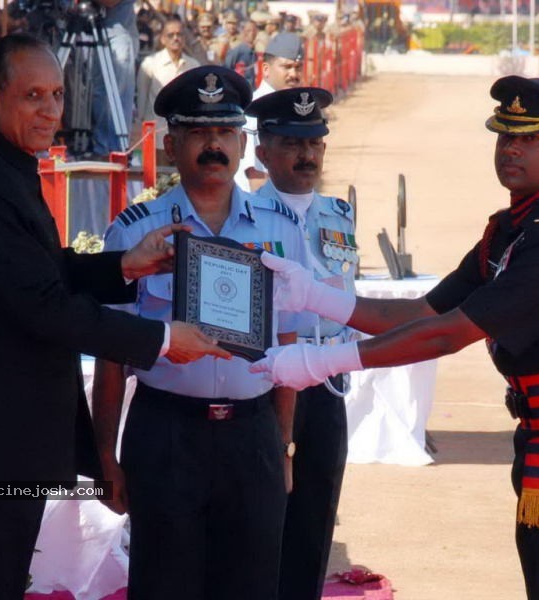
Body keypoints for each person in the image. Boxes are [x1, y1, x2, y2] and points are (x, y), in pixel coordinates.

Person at [252, 75, 539, 599]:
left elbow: (445, 336)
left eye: (531, 139)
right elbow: (421, 311)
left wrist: (321, 362)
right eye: (505, 136)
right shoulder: (513, 229)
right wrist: (316, 296)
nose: (512, 149)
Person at [0, 34, 227, 600]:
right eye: (33, 95)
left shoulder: (5, 162)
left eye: (56, 94)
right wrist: (159, 339)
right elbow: (42, 307)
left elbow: (39, 270)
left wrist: (124, 265)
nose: (51, 110)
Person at [92, 65, 308, 600]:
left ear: (242, 142)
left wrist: (281, 445)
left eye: (224, 134)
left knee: (252, 584)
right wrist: (104, 455)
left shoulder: (282, 230)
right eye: (197, 133)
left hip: (252, 434)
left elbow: (289, 346)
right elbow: (111, 354)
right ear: (171, 145)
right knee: (163, 583)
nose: (213, 146)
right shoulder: (135, 230)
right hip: (165, 433)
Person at [247, 86, 357, 600]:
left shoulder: (339, 213)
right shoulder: (244, 217)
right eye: (291, 143)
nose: (306, 155)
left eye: (314, 142)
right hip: (269, 375)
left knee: (317, 510)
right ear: (263, 150)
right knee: (266, 511)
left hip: (327, 379)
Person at [235, 32, 304, 191]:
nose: (293, 74)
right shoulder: (254, 112)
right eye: (286, 67)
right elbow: (256, 178)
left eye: (298, 68)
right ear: (266, 69)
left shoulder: (295, 109)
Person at [135, 15, 199, 152]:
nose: (176, 38)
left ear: (184, 38)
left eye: (179, 34)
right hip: (156, 135)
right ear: (163, 39)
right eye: (170, 35)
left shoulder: (194, 66)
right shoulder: (150, 63)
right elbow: (142, 98)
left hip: (185, 134)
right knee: (158, 172)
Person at [91, 0, 139, 156]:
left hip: (116, 31)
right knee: (98, 91)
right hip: (90, 28)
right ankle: (99, 145)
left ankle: (114, 149)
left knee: (114, 92)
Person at [224, 20, 258, 88]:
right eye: (249, 30)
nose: (252, 33)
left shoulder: (255, 52)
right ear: (243, 32)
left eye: (254, 30)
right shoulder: (236, 51)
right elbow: (226, 70)